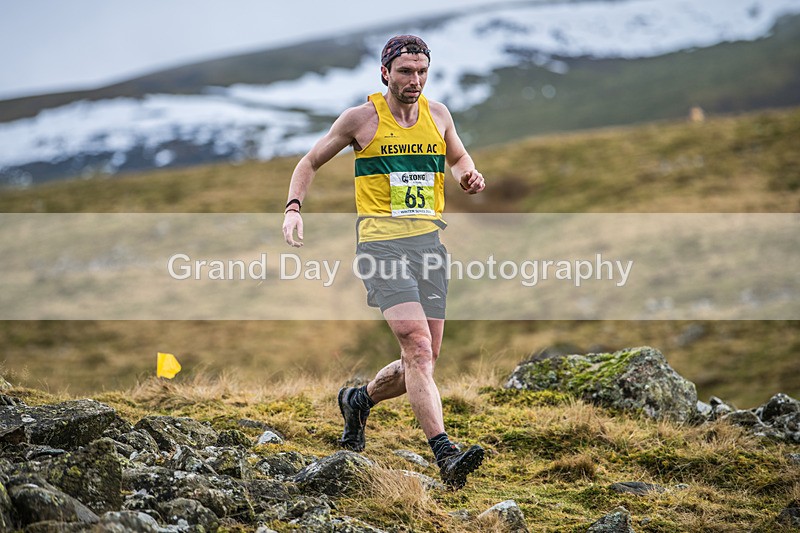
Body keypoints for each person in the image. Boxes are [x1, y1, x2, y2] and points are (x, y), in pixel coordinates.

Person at [282, 35, 486, 489]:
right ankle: (446, 454)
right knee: (416, 347)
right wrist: (294, 207)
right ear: (385, 73)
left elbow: (457, 156)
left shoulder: (438, 115)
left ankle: (359, 400)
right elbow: (309, 162)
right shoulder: (361, 119)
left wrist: (468, 176)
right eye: (405, 72)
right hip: (381, 249)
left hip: (429, 246)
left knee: (426, 358)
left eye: (421, 71)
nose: (414, 80)